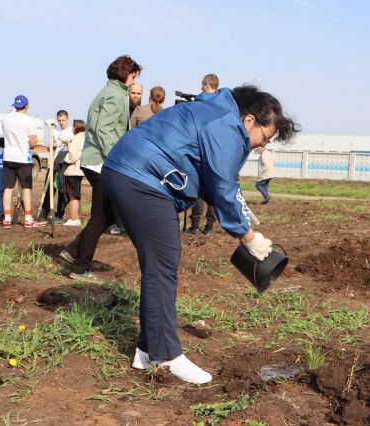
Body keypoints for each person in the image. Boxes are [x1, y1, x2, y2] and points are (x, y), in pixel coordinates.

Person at [101, 84, 299, 384]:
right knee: (163, 264)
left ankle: (146, 349)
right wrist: (248, 238)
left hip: (131, 171)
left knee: (159, 264)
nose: (262, 146)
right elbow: (221, 186)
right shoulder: (227, 127)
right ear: (249, 121)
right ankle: (166, 355)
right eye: (265, 137)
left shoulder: (216, 114)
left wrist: (242, 222)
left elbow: (215, 183)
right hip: (142, 177)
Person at [59, 55, 142, 280]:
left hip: (94, 160)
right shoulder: (116, 96)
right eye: (133, 76)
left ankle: (74, 251)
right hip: (102, 162)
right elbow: (104, 130)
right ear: (125, 73)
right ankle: (80, 268)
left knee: (104, 215)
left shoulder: (108, 91)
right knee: (101, 217)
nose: (134, 81)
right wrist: (115, 159)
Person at [185, 74, 221, 234]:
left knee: (199, 191)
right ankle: (209, 227)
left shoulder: (201, 105)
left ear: (206, 86)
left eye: (202, 86)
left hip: (201, 152)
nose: (201, 89)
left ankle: (194, 226)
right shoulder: (222, 107)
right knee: (213, 192)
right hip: (217, 154)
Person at [1, 95, 44, 229]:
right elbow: (33, 141)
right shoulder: (29, 121)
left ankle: (7, 218)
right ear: (27, 106)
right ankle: (28, 218)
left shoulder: (5, 118)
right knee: (26, 188)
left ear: (14, 105)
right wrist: (32, 142)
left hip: (8, 157)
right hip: (22, 158)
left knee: (8, 187)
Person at [40, 110, 73, 222]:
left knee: (62, 189)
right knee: (49, 187)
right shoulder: (54, 131)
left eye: (63, 120)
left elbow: (75, 146)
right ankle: (44, 214)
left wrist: (67, 142)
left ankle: (59, 214)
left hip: (65, 163)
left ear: (67, 118)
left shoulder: (71, 131)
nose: (61, 122)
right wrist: (53, 144)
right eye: (59, 120)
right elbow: (50, 148)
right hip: (53, 161)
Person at [61, 119, 86, 227]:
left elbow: (73, 156)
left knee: (73, 195)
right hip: (79, 170)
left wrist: (66, 159)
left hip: (73, 170)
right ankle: (75, 218)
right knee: (75, 194)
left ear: (76, 127)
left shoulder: (75, 139)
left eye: (73, 126)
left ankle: (74, 218)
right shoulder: (84, 137)